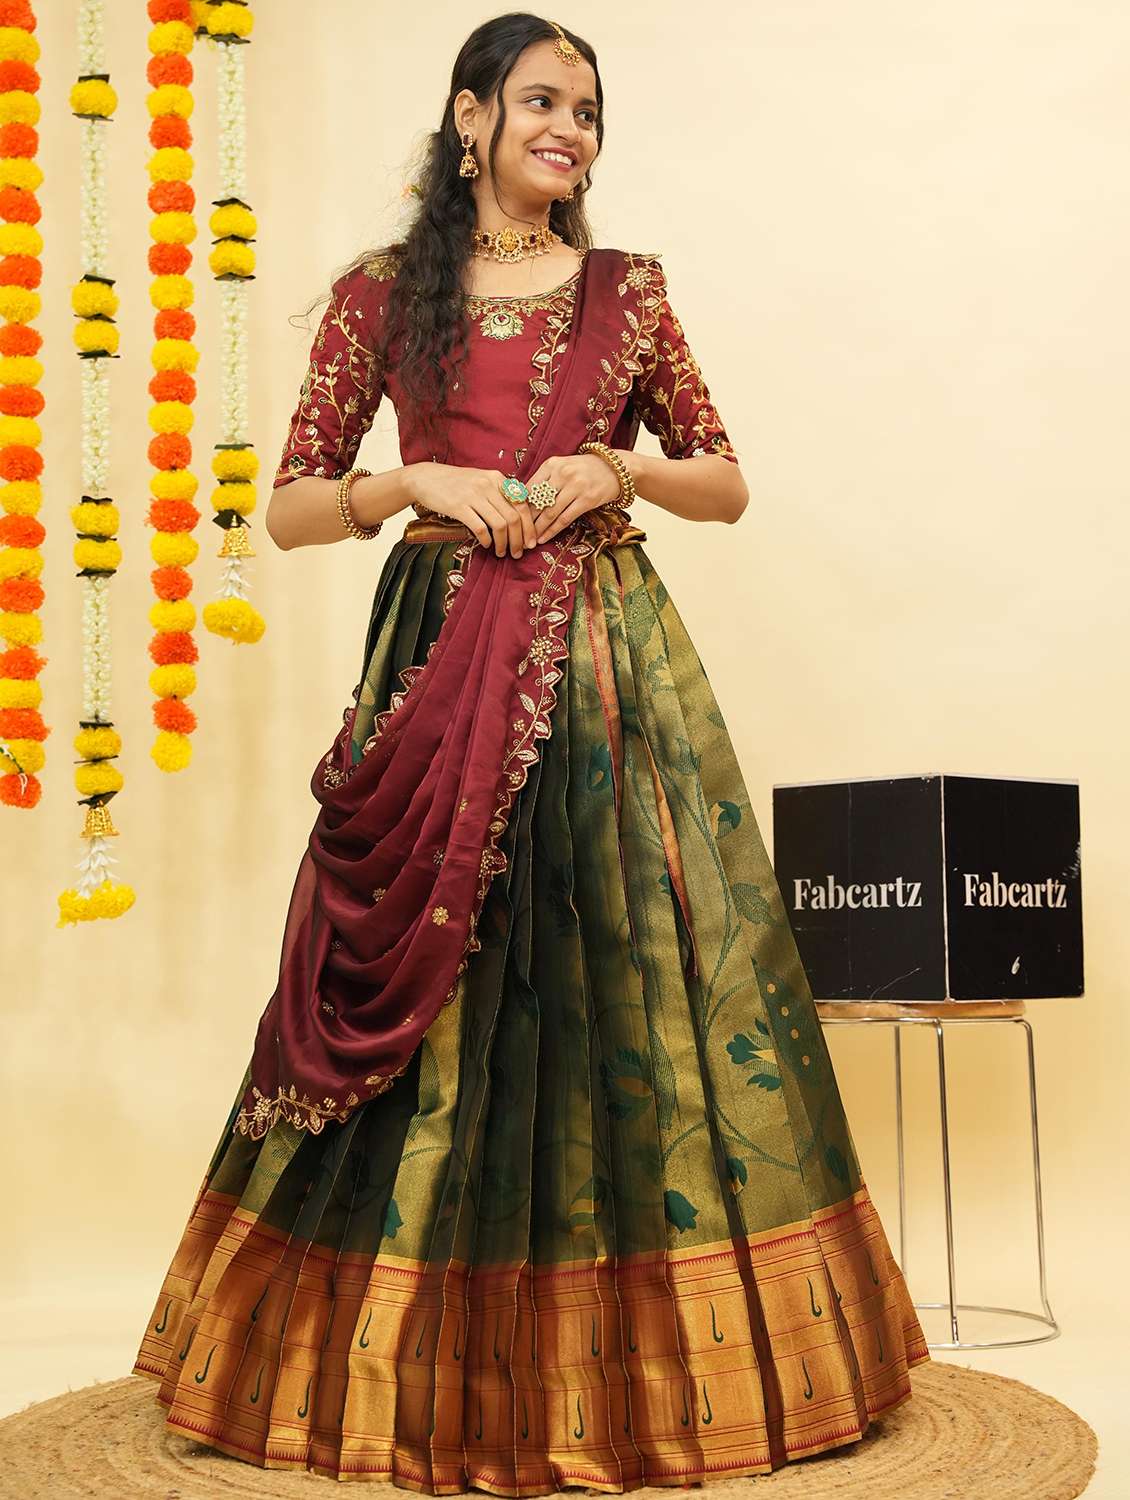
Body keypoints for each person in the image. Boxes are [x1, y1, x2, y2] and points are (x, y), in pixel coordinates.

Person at [132, 14, 929, 1492]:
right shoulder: (384, 297)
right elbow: (289, 508)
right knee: (441, 989)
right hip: (439, 669)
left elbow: (726, 483)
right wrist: (413, 480)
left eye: (588, 110)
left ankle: (636, 1383)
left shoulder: (629, 295)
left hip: (605, 670)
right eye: (541, 101)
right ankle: (407, 1378)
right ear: (469, 117)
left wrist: (614, 465)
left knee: (619, 974)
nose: (569, 129)